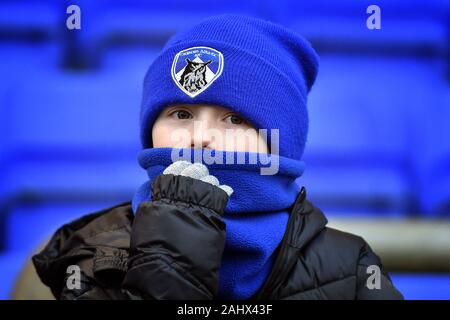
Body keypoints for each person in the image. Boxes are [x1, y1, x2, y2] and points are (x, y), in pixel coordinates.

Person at [32, 14, 403, 300]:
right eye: (181, 114)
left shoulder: (350, 266)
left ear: (281, 143)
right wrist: (171, 253)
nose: (200, 138)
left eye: (235, 119)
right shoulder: (92, 251)